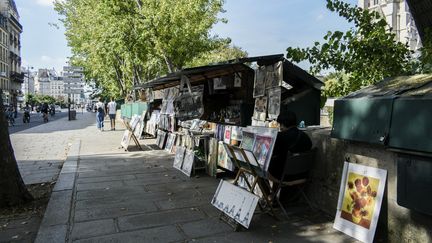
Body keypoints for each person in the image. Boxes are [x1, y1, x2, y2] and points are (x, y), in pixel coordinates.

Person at [268, 111, 312, 180]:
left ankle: (268, 191)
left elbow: (271, 153)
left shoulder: (280, 137)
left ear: (282, 124)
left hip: (284, 175)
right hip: (303, 173)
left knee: (259, 169)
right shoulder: (305, 136)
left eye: (280, 124)